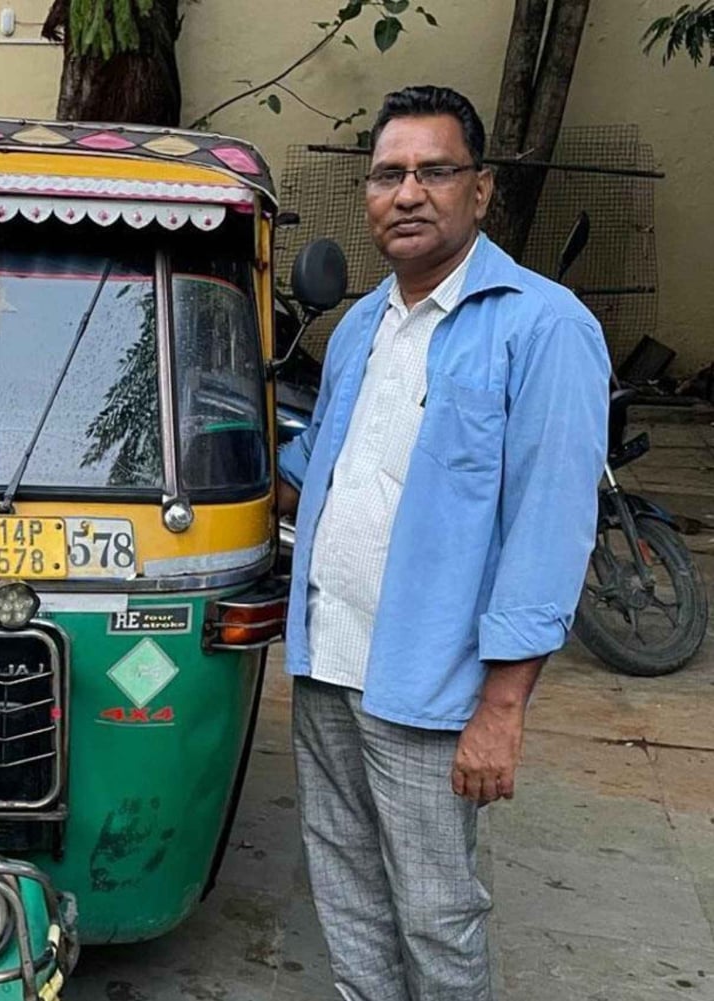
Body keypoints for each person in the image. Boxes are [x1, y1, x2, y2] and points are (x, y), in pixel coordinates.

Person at [277, 85, 609, 1000]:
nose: (409, 192)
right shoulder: (357, 328)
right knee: (344, 890)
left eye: (435, 170)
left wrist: (502, 710)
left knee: (435, 910)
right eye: (390, 174)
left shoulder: (542, 327)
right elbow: (315, 469)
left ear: (481, 189)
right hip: (326, 664)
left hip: (432, 687)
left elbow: (550, 530)